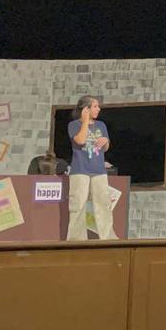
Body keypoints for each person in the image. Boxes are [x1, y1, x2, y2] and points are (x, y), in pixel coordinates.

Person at [66, 95, 116, 240]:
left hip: (99, 170)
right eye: (95, 106)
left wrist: (105, 141)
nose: (98, 109)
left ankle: (108, 238)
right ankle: (76, 240)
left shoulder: (101, 125)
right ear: (86, 109)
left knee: (103, 205)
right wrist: (85, 121)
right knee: (78, 206)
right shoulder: (74, 125)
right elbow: (81, 140)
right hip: (80, 170)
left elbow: (105, 148)